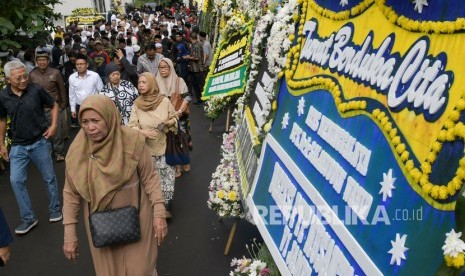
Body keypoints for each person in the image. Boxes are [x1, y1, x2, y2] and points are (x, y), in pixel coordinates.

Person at [62, 95, 168, 275]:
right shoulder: (77, 151)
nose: (90, 127)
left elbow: (150, 177)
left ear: (110, 117)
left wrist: (159, 213)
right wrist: (69, 233)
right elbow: (70, 194)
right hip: (101, 225)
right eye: (85, 122)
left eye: (96, 120)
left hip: (139, 216)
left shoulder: (132, 140)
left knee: (141, 269)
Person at [0, 60, 62, 235]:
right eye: (18, 78)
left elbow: (54, 104)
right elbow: (2, 120)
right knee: (16, 180)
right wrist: (1, 144)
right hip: (18, 145)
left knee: (49, 178)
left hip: (40, 141)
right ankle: (28, 218)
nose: (23, 80)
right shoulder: (3, 96)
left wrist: (54, 125)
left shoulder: (36, 90)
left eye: (25, 76)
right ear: (8, 79)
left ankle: (55, 209)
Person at [128, 73, 177, 218]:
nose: (140, 85)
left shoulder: (164, 101)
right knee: (150, 179)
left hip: (165, 146)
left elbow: (174, 118)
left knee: (167, 178)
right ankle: (154, 206)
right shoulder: (137, 104)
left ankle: (166, 206)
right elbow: (131, 126)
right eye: (139, 82)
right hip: (146, 150)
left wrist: (168, 123)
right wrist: (142, 132)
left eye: (144, 82)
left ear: (152, 83)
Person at [29, 50, 68, 161]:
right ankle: (47, 151)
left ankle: (59, 152)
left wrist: (63, 104)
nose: (42, 62)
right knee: (43, 131)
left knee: (57, 131)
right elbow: (29, 91)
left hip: (54, 107)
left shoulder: (55, 72)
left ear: (48, 61)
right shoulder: (32, 74)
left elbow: (62, 89)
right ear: (36, 61)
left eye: (44, 60)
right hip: (39, 108)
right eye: (40, 60)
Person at [156, 57, 191, 177]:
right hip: (164, 118)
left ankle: (185, 161)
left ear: (171, 67)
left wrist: (180, 110)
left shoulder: (178, 80)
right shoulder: (155, 82)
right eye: (160, 67)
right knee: (170, 142)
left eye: (165, 67)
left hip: (180, 116)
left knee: (183, 140)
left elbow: (187, 97)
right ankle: (177, 167)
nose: (162, 70)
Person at [69, 54, 104, 125]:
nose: (79, 66)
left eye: (81, 64)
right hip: (80, 106)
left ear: (87, 65)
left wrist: (102, 106)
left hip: (94, 106)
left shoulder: (95, 76)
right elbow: (72, 95)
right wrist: (73, 109)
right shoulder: (72, 77)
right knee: (83, 126)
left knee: (95, 125)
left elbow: (102, 91)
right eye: (77, 64)